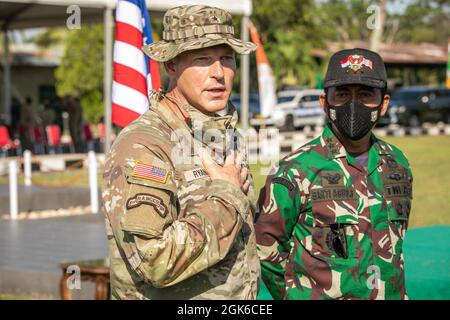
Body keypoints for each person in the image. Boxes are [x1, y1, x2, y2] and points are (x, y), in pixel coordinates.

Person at [102, 5, 260, 300]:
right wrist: (225, 195)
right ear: (171, 65)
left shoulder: (221, 135)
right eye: (203, 59)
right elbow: (156, 261)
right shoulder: (144, 145)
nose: (219, 74)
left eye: (227, 59)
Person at [255, 48, 413, 300]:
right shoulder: (294, 170)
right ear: (324, 103)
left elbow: (396, 242)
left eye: (365, 95)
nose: (353, 105)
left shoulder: (397, 164)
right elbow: (265, 247)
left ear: (383, 104)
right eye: (342, 94)